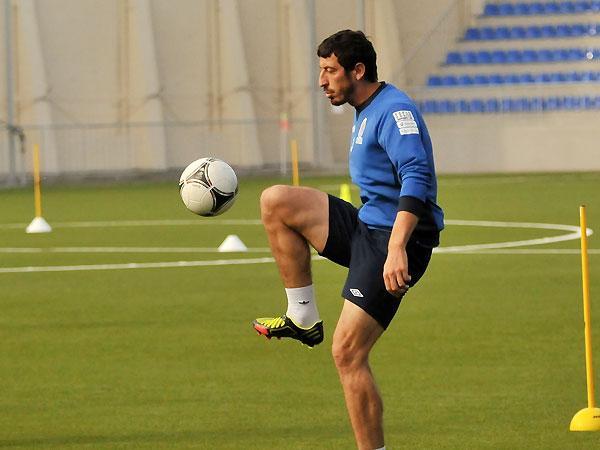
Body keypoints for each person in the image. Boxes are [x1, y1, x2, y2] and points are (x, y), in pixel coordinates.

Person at [252, 29, 444, 450]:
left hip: (396, 240)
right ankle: (302, 317)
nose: (322, 81)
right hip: (367, 227)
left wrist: (397, 248)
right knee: (276, 201)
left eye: (330, 70)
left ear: (357, 71)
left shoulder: (395, 112)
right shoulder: (365, 108)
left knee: (347, 354)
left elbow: (417, 177)